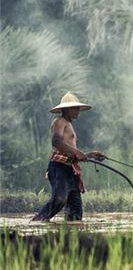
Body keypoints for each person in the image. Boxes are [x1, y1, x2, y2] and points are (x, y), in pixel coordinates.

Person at [32, 92, 106, 221]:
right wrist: (78, 153)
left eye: (77, 108)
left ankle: (71, 235)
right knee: (59, 199)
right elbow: (56, 141)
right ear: (65, 109)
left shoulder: (69, 125)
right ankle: (36, 224)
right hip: (59, 168)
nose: (77, 111)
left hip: (69, 170)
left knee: (75, 210)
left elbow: (70, 153)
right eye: (74, 108)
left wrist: (91, 155)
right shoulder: (59, 121)